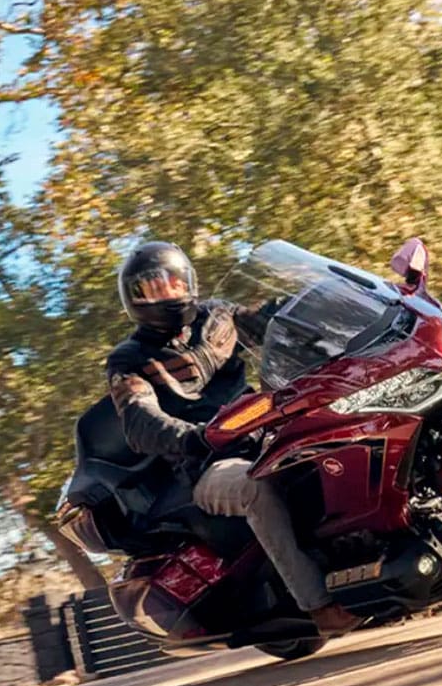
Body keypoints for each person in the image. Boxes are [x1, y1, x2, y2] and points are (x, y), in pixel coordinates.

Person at [105, 240, 359, 634]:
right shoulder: (130, 358)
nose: (165, 293)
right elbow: (139, 419)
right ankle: (319, 605)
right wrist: (194, 438)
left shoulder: (217, 317)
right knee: (254, 487)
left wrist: (327, 296)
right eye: (151, 288)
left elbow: (277, 320)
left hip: (267, 431)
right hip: (206, 463)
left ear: (187, 281)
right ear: (135, 299)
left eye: (171, 283)